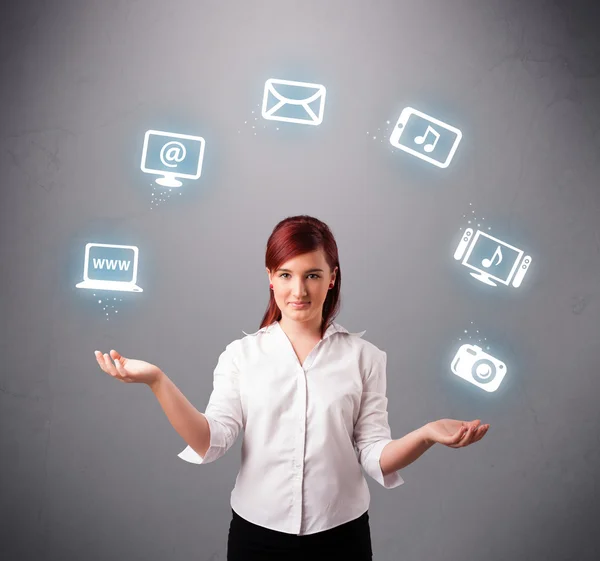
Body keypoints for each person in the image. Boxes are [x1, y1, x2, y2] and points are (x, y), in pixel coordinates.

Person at [94, 214, 490, 561]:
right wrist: (157, 381)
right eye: (285, 275)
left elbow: (375, 457)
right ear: (270, 278)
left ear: (332, 277)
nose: (298, 291)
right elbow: (210, 441)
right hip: (257, 537)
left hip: (342, 537)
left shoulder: (365, 358)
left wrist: (426, 434)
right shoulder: (240, 356)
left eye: (312, 275)